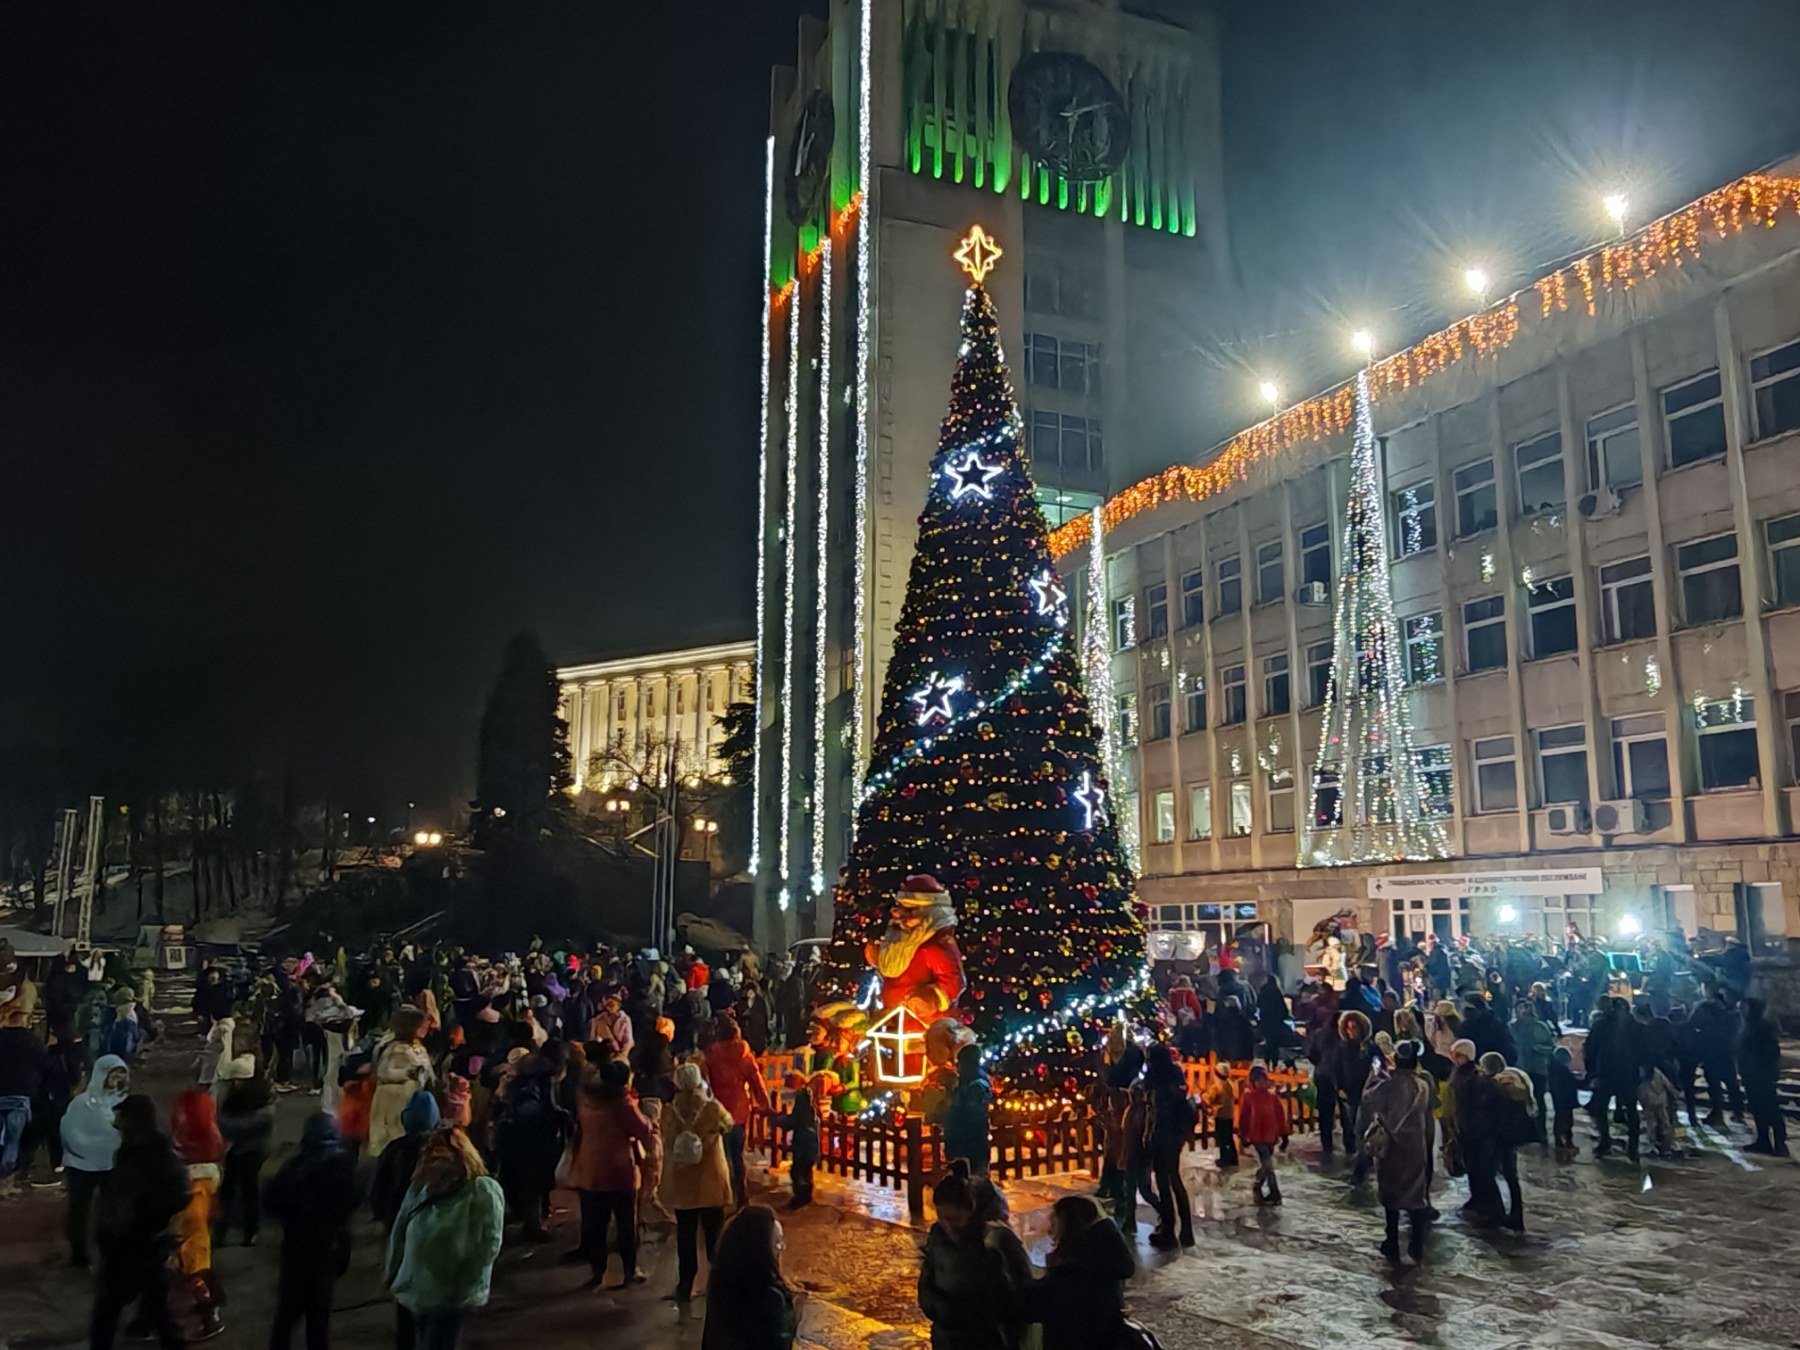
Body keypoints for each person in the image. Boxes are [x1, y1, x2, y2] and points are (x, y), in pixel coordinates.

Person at [385, 1128, 505, 1350]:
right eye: (429, 1153)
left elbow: (489, 1244)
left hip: (450, 1295)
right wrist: (392, 1272)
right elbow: (400, 1227)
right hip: (411, 1289)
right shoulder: (421, 1185)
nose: (433, 1159)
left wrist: (466, 1285)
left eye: (440, 1153)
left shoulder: (481, 1190)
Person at [89, 1095, 189, 1350]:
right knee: (155, 1305)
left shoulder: (149, 1156)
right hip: (138, 1243)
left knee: (107, 1310)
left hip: (134, 1245)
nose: (117, 1121)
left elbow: (169, 1195)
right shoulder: (137, 1151)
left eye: (122, 1116)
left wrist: (140, 1221)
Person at [266, 1114, 362, 1350]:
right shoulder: (342, 1168)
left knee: (286, 1317)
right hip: (328, 1251)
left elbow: (270, 1198)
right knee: (318, 1320)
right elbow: (354, 1199)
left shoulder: (296, 1167)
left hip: (296, 1251)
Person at [917, 1160, 1030, 1350]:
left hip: (987, 1337)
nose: (948, 1225)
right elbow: (928, 1276)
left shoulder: (994, 1239)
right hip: (947, 1336)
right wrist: (937, 1307)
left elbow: (1019, 1290)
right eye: (941, 1218)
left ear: (970, 1211)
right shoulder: (938, 1236)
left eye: (954, 1219)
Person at [567, 1059, 653, 1287]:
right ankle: (630, 1270)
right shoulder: (622, 1105)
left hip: (590, 1169)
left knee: (596, 1224)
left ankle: (597, 1270)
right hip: (618, 1171)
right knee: (625, 1223)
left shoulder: (587, 1100)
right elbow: (643, 1130)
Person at [1023, 1194, 1137, 1350]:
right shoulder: (1102, 1262)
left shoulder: (1070, 1273)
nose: (1050, 1232)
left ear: (1066, 1229)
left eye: (1054, 1226)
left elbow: (1031, 1306)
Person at [663, 1060, 735, 1303]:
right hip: (710, 1179)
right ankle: (719, 1286)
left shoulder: (670, 1110)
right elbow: (729, 1124)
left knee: (685, 1236)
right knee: (714, 1236)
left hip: (684, 1181)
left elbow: (665, 1137)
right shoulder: (712, 1108)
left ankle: (685, 1285)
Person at [1358, 1039, 1433, 1262]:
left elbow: (1368, 1099)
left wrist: (1375, 1075)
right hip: (1415, 1145)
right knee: (1415, 1193)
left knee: (1391, 1192)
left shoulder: (1388, 1084)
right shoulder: (1423, 1085)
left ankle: (1391, 1241)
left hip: (1391, 1146)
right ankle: (1416, 1244)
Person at [170, 1086, 227, 1340]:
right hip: (200, 1206)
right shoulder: (211, 1144)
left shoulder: (188, 1164)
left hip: (191, 1216)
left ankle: (209, 1315)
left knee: (194, 1262)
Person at [62, 1054, 129, 1267]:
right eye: (113, 1074)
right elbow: (71, 1133)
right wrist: (96, 1145)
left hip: (110, 1163)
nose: (117, 1080)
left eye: (121, 1075)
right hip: (81, 1165)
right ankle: (78, 1252)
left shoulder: (124, 1104)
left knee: (111, 1209)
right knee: (80, 1209)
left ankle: (110, 1250)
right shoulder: (82, 1104)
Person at [701, 1204, 798, 1350]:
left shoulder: (722, 1282)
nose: (781, 1249)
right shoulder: (770, 1297)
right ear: (762, 1250)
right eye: (777, 1244)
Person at [703, 1015, 772, 1209]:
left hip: (718, 1109)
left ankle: (721, 1194)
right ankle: (741, 1195)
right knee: (737, 1154)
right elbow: (755, 1080)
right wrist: (764, 1102)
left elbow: (704, 1080)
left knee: (720, 1155)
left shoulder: (711, 1055)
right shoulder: (744, 1054)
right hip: (739, 1110)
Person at [1143, 1044, 1195, 1248]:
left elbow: (1155, 1110)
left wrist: (1150, 1136)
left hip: (1163, 1133)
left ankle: (1168, 1228)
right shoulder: (1176, 1074)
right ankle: (1186, 1230)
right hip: (1176, 1133)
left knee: (1164, 1182)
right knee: (1174, 1179)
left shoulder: (1157, 1078)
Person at [1479, 1052, 1535, 1231]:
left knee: (1488, 1172)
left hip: (1499, 1135)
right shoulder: (1517, 1079)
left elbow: (1487, 1108)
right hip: (1513, 1135)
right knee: (1511, 1177)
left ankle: (1498, 1213)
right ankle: (1516, 1216)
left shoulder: (1496, 1085)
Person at [372, 1088, 442, 1231]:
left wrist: (381, 1214)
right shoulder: (444, 1151)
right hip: (433, 1225)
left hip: (396, 1219)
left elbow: (380, 1187)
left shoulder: (395, 1149)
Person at [368, 1007, 434, 1157]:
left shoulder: (412, 1047)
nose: (427, 1027)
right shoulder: (398, 1051)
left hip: (404, 1098)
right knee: (395, 1138)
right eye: (422, 1024)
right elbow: (388, 1074)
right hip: (397, 1101)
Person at [1586, 997, 1643, 1162]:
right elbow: (1644, 1050)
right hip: (1625, 1074)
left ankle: (1606, 1141)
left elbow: (1590, 1049)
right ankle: (1632, 1147)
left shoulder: (1602, 1025)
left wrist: (1592, 1071)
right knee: (1631, 1110)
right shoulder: (1635, 1027)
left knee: (1602, 1108)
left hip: (1607, 1072)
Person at [0, 1003, 49, 1194]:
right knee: (12, 1141)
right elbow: (45, 1066)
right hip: (21, 1095)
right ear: (23, 1019)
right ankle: (5, 1183)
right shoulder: (32, 1041)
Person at [1739, 997, 1788, 1157]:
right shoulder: (1750, 1028)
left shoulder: (1761, 1029)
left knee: (1770, 1109)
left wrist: (1767, 1072)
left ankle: (1780, 1144)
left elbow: (1771, 1053)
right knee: (1758, 1109)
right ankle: (1763, 1140)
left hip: (1761, 1076)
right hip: (1753, 1076)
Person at [934, 1042, 992, 1175]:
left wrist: (953, 1113)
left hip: (970, 1142)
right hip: (962, 1141)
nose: (957, 1066)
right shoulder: (963, 1081)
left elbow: (971, 1112)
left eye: (960, 1062)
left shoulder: (977, 1084)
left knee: (973, 1178)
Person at [1238, 1064, 1290, 1205]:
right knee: (1268, 1164)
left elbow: (1280, 1117)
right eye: (1258, 1081)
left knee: (1265, 1165)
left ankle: (1258, 1184)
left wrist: (1284, 1135)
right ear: (1253, 1082)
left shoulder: (1272, 1098)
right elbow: (1244, 1117)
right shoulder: (1249, 1097)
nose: (1262, 1083)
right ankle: (1274, 1192)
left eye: (1263, 1080)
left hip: (1271, 1137)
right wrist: (1243, 1135)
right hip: (1257, 1137)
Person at [1509, 999, 1556, 1138]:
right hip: (1520, 1068)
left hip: (1538, 1069)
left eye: (1528, 1009)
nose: (1525, 1013)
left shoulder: (1541, 1027)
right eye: (1522, 1010)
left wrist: (1538, 1049)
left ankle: (1540, 1131)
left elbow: (1551, 1047)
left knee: (1539, 1099)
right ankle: (1524, 1130)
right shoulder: (1512, 1028)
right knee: (1520, 1099)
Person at [771, 1084, 819, 1209]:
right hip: (811, 1149)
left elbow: (788, 1123)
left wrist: (776, 1118)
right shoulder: (812, 1115)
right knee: (806, 1172)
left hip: (802, 1148)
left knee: (797, 1172)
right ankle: (807, 1195)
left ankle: (800, 1197)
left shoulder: (799, 1115)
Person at [1201, 1060, 1238, 1167]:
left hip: (1221, 1115)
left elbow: (1209, 1098)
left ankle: (1224, 1159)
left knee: (1222, 1139)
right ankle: (1233, 1158)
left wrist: (1203, 1096)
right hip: (1229, 1114)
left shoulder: (1217, 1086)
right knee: (1229, 1137)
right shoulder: (1231, 1084)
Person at [1548, 1045, 1582, 1159]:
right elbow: (1573, 1083)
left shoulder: (1553, 1069)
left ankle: (1560, 1139)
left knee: (1560, 1118)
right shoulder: (1563, 1071)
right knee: (1567, 1121)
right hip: (1566, 1100)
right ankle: (1566, 1139)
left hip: (1559, 1100)